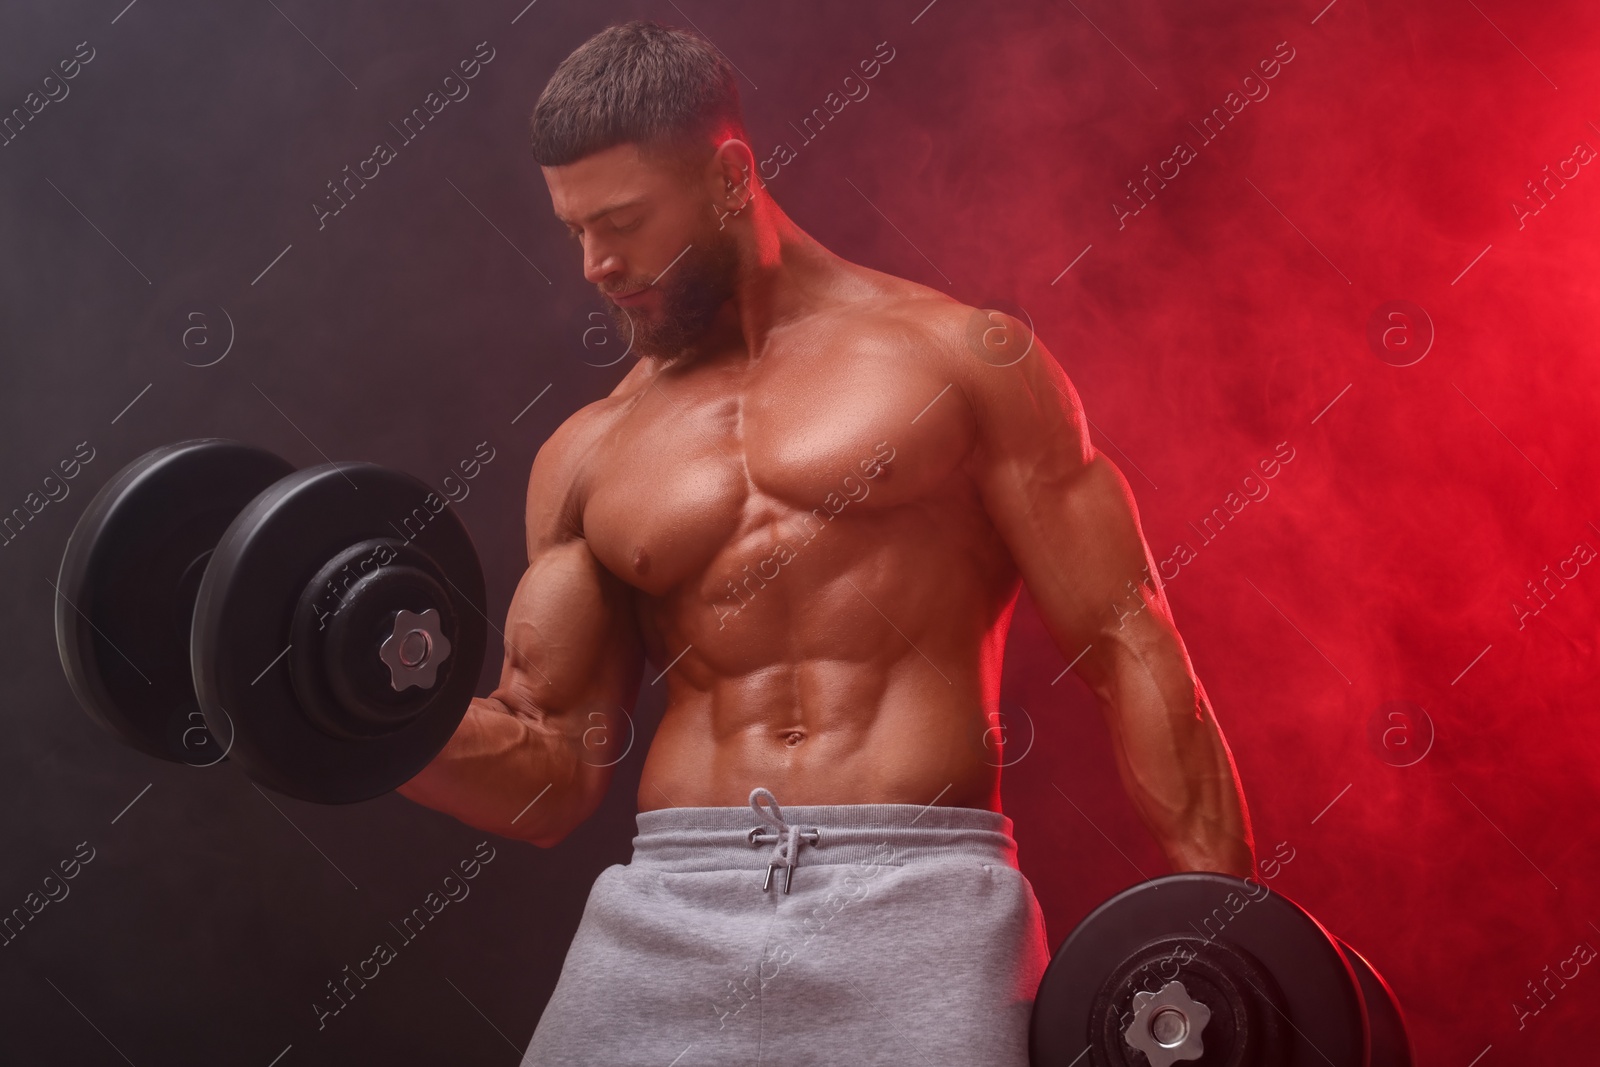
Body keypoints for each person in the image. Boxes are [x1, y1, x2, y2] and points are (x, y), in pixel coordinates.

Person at [396, 19, 1255, 1066]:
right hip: (669, 904)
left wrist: (1234, 940)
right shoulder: (588, 451)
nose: (595, 265)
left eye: (621, 222)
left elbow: (1127, 640)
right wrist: (346, 718)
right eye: (575, 230)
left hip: (919, 899)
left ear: (727, 176)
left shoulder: (961, 359)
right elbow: (548, 774)